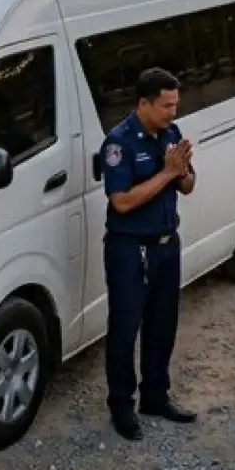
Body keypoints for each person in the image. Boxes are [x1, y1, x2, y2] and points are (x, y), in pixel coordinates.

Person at [99, 68, 197, 440]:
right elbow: (122, 202)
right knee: (125, 330)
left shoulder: (170, 133)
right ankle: (121, 405)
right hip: (130, 248)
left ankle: (156, 395)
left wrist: (182, 170)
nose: (173, 112)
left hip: (165, 245)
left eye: (176, 104)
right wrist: (167, 173)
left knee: (162, 325)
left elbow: (187, 185)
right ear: (144, 103)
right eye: (166, 105)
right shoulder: (119, 143)